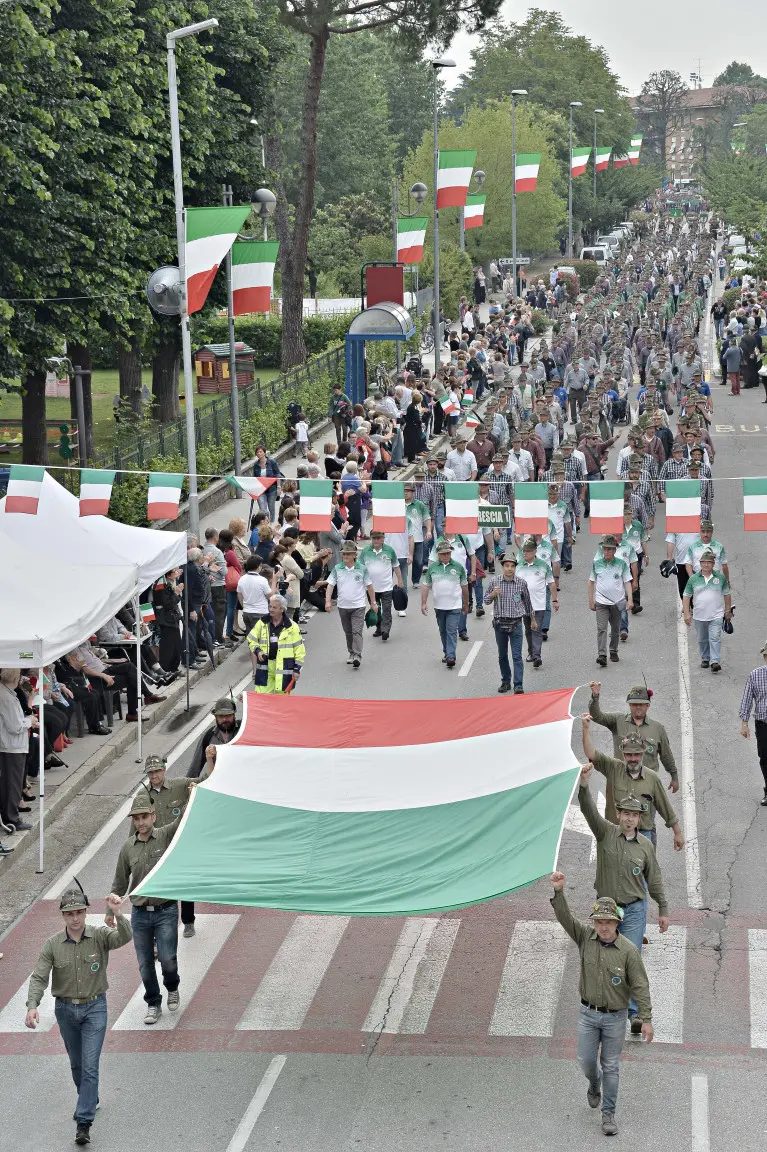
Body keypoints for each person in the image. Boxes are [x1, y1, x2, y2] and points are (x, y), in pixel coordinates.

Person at [25, 883, 132, 1145]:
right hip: (65, 1009)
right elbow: (39, 976)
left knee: (90, 1066)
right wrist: (32, 1005)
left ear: (86, 913)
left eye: (79, 913)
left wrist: (118, 914)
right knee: (77, 1064)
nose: (75, 918)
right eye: (70, 914)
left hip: (95, 1007)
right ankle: (89, 1096)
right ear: (63, 916)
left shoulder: (99, 936)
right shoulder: (52, 945)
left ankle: (84, 1122)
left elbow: (123, 938)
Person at [549, 871, 653, 1139]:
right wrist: (559, 892)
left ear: (617, 922)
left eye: (608, 921)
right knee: (585, 1061)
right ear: (594, 923)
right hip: (588, 1014)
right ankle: (593, 1084)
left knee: (611, 1065)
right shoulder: (585, 937)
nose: (603, 926)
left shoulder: (629, 950)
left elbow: (640, 985)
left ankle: (608, 1114)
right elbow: (564, 919)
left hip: (616, 1018)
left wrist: (646, 1017)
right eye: (599, 921)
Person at [578, 762, 669, 1037]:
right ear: (618, 814)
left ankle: (634, 1014)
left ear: (640, 819)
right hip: (608, 909)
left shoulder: (646, 847)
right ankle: (605, 1004)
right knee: (606, 957)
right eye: (625, 813)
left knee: (632, 957)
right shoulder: (605, 833)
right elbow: (588, 810)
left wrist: (663, 908)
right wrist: (584, 785)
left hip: (635, 908)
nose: (629, 818)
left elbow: (653, 879)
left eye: (634, 815)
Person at [108, 784, 202, 1026]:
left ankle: (172, 987)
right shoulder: (127, 848)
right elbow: (119, 882)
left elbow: (184, 820)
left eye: (144, 817)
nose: (140, 822)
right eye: (136, 818)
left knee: (168, 959)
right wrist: (111, 910)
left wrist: (192, 795)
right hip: (139, 914)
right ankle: (153, 1003)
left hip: (166, 910)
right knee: (145, 963)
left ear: (153, 816)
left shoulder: (166, 834)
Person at [581, 715, 684, 850]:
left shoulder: (652, 778)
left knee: (645, 870)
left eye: (637, 754)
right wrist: (585, 729)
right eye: (629, 754)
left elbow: (664, 806)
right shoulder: (613, 768)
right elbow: (591, 753)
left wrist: (677, 832)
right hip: (617, 833)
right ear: (623, 754)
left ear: (642, 754)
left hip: (643, 834)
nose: (633, 758)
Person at [588, 683, 678, 791]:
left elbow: (666, 754)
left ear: (648, 705)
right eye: (634, 704)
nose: (638, 707)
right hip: (621, 782)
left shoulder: (658, 728)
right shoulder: (617, 720)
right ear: (629, 705)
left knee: (649, 808)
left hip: (647, 784)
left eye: (642, 704)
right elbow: (597, 716)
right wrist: (595, 696)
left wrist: (674, 776)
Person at [484, 549, 533, 694]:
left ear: (515, 567)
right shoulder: (495, 582)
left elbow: (528, 603)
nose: (509, 569)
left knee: (517, 656)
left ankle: (518, 684)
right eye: (507, 566)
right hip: (500, 624)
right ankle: (505, 681)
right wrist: (493, 594)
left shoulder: (521, 583)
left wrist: (533, 620)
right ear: (502, 567)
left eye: (512, 566)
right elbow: (486, 600)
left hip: (516, 624)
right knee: (502, 655)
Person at [325, 540, 376, 669]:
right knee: (348, 632)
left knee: (357, 631)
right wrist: (328, 601)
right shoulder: (337, 568)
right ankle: (351, 653)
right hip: (343, 606)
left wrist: (373, 603)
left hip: (358, 606)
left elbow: (369, 586)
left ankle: (358, 655)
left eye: (348, 554)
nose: (345, 556)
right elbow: (330, 585)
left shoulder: (362, 569)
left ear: (354, 555)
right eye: (344, 554)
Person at [420, 537, 469, 669]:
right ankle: (446, 652)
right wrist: (423, 603)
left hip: (455, 605)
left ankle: (451, 656)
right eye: (443, 554)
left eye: (447, 553)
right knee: (443, 631)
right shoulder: (432, 568)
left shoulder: (458, 567)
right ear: (438, 554)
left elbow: (464, 586)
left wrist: (466, 603)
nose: (446, 556)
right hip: (439, 606)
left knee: (451, 630)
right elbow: (426, 586)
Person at [682, 548, 733, 672]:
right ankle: (705, 658)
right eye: (704, 562)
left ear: (713, 564)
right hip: (699, 615)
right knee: (702, 639)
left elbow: (727, 594)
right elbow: (686, 596)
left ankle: (715, 661)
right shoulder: (693, 579)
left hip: (716, 614)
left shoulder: (720, 578)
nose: (706, 564)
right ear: (700, 564)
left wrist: (727, 611)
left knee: (715, 637)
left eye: (709, 562)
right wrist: (687, 614)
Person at [0, 667, 35, 837]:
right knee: (12, 784)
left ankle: (10, 816)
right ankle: (11, 818)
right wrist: (29, 721)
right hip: (11, 745)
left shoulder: (7, 693)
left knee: (11, 782)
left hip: (11, 744)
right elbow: (15, 726)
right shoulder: (6, 696)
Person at [588, 535, 633, 667]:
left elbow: (627, 582)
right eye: (604, 549)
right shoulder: (597, 564)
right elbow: (591, 582)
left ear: (614, 550)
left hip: (617, 602)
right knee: (601, 629)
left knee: (615, 629)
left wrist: (629, 599)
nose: (606, 551)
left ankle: (613, 650)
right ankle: (602, 654)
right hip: (601, 602)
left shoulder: (621, 564)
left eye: (609, 549)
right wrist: (591, 600)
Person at [248, 593, 305, 693]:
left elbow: (299, 650)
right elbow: (251, 639)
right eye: (270, 606)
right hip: (265, 666)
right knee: (262, 699)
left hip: (284, 668)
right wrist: (258, 650)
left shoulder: (292, 627)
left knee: (282, 702)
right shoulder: (262, 622)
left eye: (274, 607)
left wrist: (297, 670)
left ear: (282, 609)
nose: (271, 609)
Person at [515, 536, 557, 668]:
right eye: (524, 551)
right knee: (528, 630)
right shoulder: (519, 566)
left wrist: (555, 600)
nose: (525, 553)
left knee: (537, 629)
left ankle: (537, 656)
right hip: (523, 605)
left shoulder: (543, 565)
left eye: (527, 551)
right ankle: (531, 652)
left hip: (539, 604)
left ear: (534, 551)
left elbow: (551, 584)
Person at [359, 530, 403, 642]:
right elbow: (360, 568)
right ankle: (379, 628)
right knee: (375, 610)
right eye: (374, 538)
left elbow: (396, 566)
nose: (376, 540)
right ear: (371, 539)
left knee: (387, 610)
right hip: (371, 588)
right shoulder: (365, 551)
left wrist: (400, 580)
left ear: (383, 538)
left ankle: (385, 630)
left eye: (379, 538)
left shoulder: (389, 550)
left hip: (386, 587)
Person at [739, 642, 767, 807]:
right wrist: (744, 723)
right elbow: (747, 699)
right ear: (765, 658)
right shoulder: (755, 675)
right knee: (765, 759)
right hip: (763, 724)